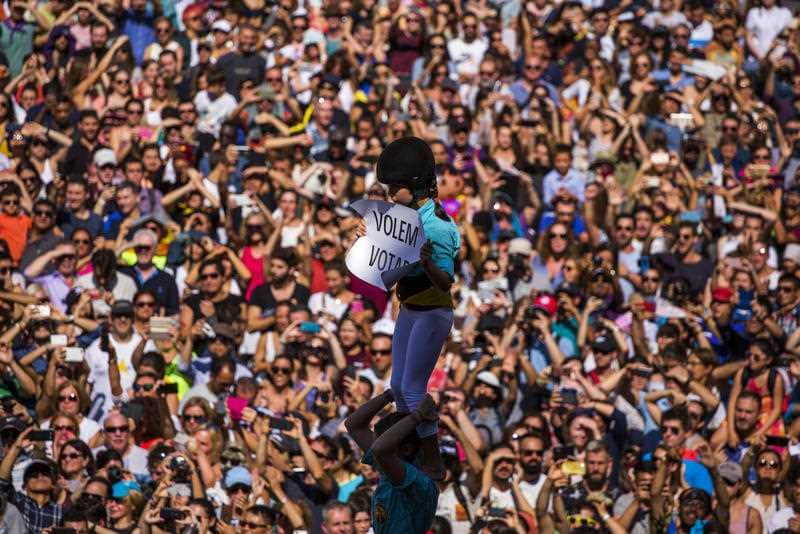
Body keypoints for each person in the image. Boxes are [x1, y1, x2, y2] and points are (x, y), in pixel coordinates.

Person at [362, 136, 460, 480]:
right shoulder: (404, 220)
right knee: (399, 385)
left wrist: (426, 261)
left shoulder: (437, 226)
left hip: (433, 311)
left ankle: (433, 459)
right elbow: (386, 277)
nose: (391, 196)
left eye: (396, 189)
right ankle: (416, 448)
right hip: (409, 308)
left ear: (415, 188)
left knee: (415, 388)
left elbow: (447, 282)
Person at [345, 390, 439, 533]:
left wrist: (418, 416)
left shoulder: (419, 482)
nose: (374, 446)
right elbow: (354, 425)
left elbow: (380, 449)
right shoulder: (386, 465)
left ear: (406, 450)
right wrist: (390, 395)